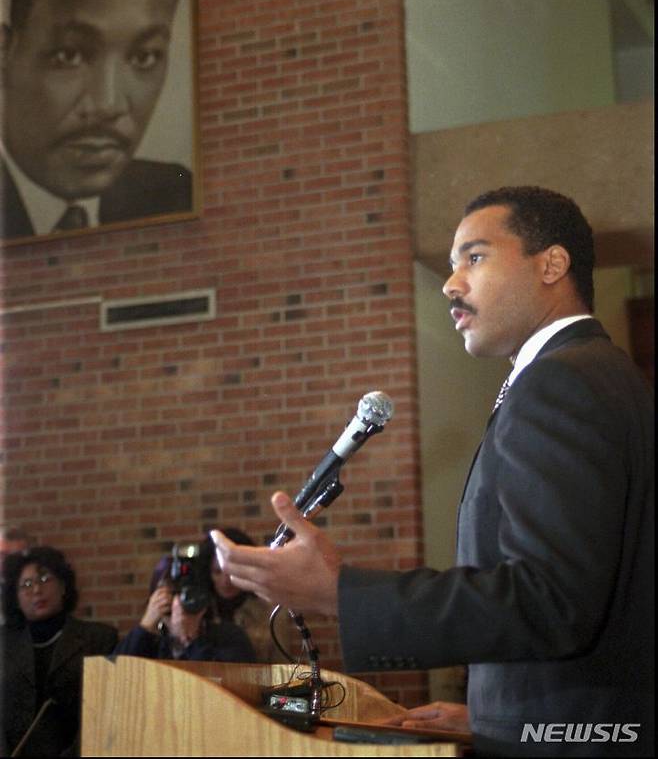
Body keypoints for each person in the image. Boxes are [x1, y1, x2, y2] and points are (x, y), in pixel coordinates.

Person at [212, 186, 654, 757]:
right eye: (451, 264)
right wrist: (489, 717)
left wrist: (340, 592)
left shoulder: (560, 381)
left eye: (475, 257)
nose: (450, 284)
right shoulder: (596, 372)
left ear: (551, 265)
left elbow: (551, 600)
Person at [1, 0, 192, 240]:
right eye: (69, 55)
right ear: (5, 53)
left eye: (144, 57)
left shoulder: (174, 196)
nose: (108, 105)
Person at [1, 545, 118, 757]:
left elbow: (107, 711)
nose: (37, 590)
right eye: (26, 584)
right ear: (15, 598)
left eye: (45, 579)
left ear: (63, 586)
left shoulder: (99, 639)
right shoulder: (3, 643)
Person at [114, 551, 256, 663]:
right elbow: (115, 674)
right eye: (171, 593)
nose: (180, 602)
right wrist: (145, 626)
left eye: (188, 594)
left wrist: (191, 639)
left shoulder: (229, 637)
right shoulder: (149, 642)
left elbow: (225, 680)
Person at [203, 529, 298, 663]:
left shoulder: (271, 613)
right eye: (217, 572)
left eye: (231, 572)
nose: (225, 581)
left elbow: (282, 665)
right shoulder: (201, 611)